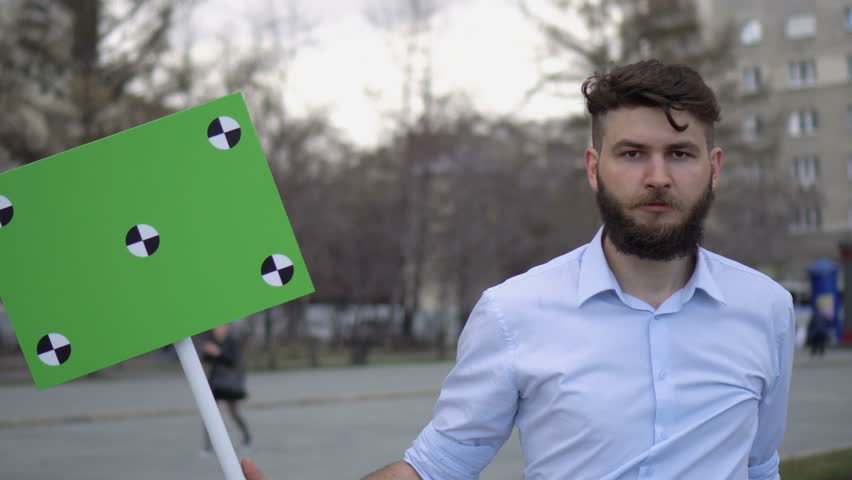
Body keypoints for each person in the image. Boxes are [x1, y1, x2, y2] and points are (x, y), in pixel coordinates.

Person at [241, 59, 795, 479]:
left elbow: (758, 465)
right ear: (593, 168)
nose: (656, 176)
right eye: (631, 153)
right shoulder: (513, 312)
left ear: (713, 167)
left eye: (679, 153)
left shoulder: (765, 308)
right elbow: (437, 468)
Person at [201, 323, 252, 453]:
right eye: (215, 328)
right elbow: (206, 360)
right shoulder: (212, 342)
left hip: (228, 383)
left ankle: (247, 437)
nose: (217, 330)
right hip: (215, 382)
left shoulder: (231, 342)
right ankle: (208, 446)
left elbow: (233, 361)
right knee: (210, 414)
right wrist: (206, 352)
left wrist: (218, 353)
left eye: (220, 327)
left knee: (234, 412)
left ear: (226, 327)